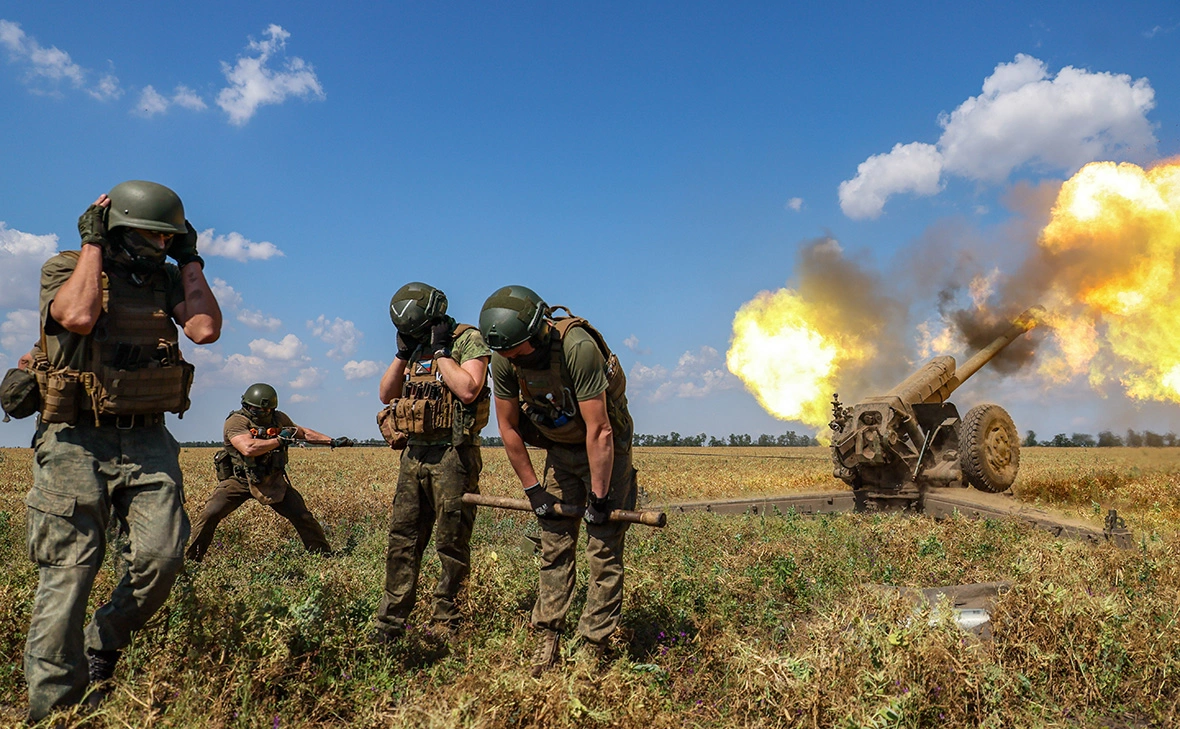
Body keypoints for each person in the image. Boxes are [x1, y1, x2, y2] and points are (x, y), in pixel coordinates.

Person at [24, 181, 222, 721]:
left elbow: (204, 330)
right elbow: (79, 317)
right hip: (75, 440)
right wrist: (92, 245)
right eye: (152, 235)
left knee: (163, 556)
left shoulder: (163, 277)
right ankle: (54, 711)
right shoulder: (65, 268)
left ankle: (102, 642)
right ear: (114, 228)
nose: (160, 245)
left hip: (147, 438)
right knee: (68, 576)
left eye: (169, 237)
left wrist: (189, 258)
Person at [478, 285, 636, 676]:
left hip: (605, 453)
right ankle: (548, 634)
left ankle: (593, 645)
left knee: (603, 548)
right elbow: (509, 427)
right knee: (554, 546)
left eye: (520, 352)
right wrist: (534, 491)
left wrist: (600, 501)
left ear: (538, 331)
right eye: (508, 355)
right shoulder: (504, 358)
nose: (515, 360)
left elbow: (600, 430)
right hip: (560, 453)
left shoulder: (577, 347)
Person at [372, 282, 491, 642]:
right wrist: (401, 354)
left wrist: (441, 352)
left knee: (450, 541)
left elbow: (469, 388)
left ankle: (447, 620)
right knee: (403, 538)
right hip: (414, 454)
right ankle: (390, 623)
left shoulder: (466, 339)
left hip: (453, 454)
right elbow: (386, 394)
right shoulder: (413, 345)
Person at [185, 383, 349, 560]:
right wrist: (279, 440)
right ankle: (193, 560)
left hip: (271, 480)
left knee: (302, 516)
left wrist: (331, 441)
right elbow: (248, 448)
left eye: (267, 410)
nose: (263, 413)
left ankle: (323, 557)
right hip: (240, 479)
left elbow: (303, 433)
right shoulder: (237, 421)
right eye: (257, 410)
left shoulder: (278, 419)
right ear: (246, 406)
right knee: (210, 514)